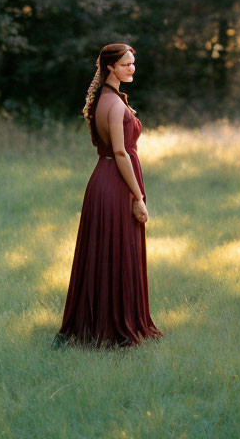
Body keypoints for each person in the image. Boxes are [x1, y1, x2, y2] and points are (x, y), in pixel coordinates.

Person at [52, 43, 163, 349]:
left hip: (105, 179)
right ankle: (114, 328)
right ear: (111, 67)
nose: (132, 68)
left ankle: (98, 322)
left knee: (109, 252)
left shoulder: (107, 99)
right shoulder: (114, 105)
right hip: (114, 182)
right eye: (127, 64)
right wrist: (137, 196)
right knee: (118, 253)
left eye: (133, 63)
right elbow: (120, 152)